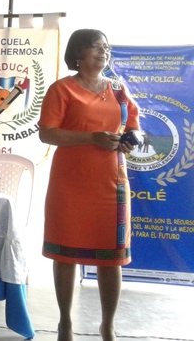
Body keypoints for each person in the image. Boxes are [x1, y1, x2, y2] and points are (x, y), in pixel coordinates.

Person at [38, 29, 140, 341]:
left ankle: (108, 325)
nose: (104, 51)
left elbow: (134, 126)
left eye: (106, 47)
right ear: (78, 53)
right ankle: (65, 323)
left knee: (112, 256)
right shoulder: (61, 89)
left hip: (112, 184)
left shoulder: (119, 90)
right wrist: (91, 138)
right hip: (70, 185)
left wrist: (132, 139)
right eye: (97, 46)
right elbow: (47, 133)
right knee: (65, 254)